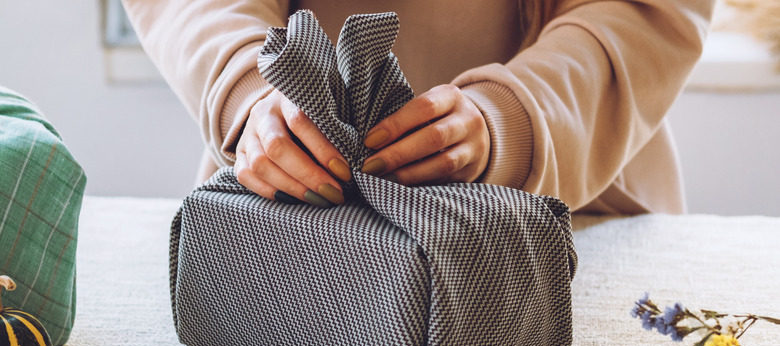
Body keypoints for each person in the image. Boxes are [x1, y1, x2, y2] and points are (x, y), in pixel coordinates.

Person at [122, 0, 713, 213]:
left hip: (576, 200)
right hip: (297, 207)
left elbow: (643, 11)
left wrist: (512, 119)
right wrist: (248, 90)